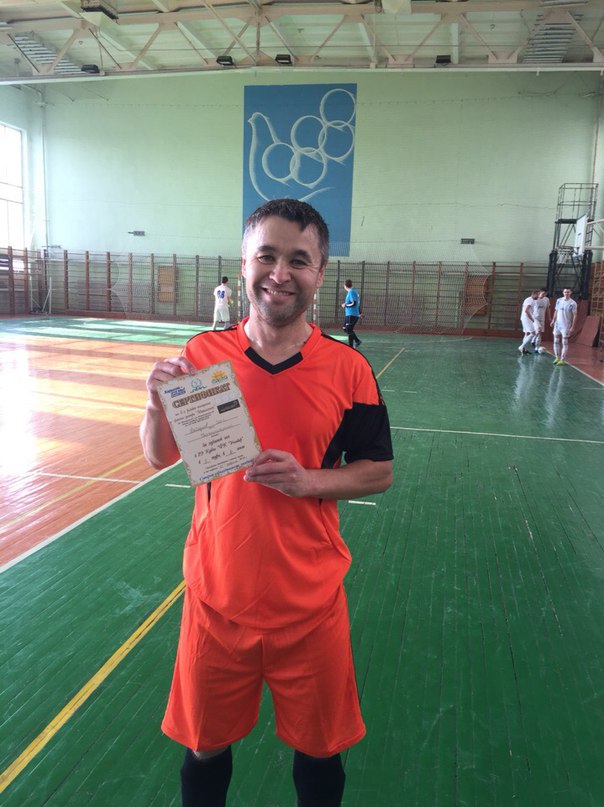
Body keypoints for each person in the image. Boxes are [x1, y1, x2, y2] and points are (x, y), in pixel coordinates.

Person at [140, 198, 394, 807]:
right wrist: (154, 406)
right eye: (267, 256)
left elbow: (379, 473)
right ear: (245, 263)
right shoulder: (202, 356)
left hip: (310, 604)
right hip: (216, 598)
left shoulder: (349, 369)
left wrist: (310, 481)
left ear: (320, 273)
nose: (280, 274)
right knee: (205, 748)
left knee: (320, 752)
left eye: (298, 260)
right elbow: (158, 456)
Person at [551, 287, 577, 365]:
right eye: (565, 292)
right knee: (556, 341)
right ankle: (557, 357)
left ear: (571, 293)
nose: (566, 293)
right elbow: (556, 311)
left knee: (564, 342)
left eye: (568, 292)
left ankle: (562, 359)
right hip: (557, 324)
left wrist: (573, 326)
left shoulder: (573, 303)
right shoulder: (559, 300)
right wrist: (553, 320)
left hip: (566, 325)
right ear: (563, 292)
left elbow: (575, 315)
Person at [341, 279, 362, 349]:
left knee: (348, 328)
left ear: (345, 286)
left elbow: (354, 303)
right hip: (349, 314)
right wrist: (360, 312)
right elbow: (357, 304)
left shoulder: (352, 292)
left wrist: (345, 305)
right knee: (346, 328)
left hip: (352, 314)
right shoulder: (352, 292)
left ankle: (357, 341)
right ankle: (351, 346)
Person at [518, 289, 538, 355]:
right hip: (526, 318)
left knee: (526, 333)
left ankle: (524, 349)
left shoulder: (530, 300)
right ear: (534, 294)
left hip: (524, 318)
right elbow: (526, 310)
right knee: (533, 333)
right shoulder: (530, 300)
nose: (538, 296)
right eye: (537, 295)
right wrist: (532, 319)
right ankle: (522, 346)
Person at [530, 288, 549, 353]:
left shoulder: (546, 299)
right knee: (539, 331)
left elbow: (548, 309)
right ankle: (536, 345)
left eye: (545, 294)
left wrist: (549, 317)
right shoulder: (535, 299)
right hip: (535, 318)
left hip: (542, 318)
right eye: (543, 293)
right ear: (540, 292)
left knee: (539, 333)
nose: (544, 295)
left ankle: (534, 343)